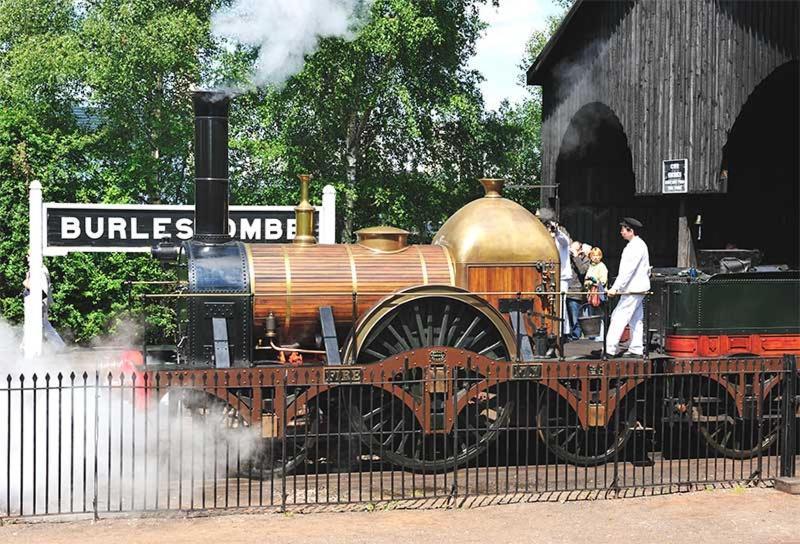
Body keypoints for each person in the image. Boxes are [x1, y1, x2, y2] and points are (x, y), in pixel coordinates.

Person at [605, 218, 650, 357]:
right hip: (637, 288)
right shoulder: (638, 245)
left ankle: (609, 349)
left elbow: (627, 270)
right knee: (636, 319)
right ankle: (636, 348)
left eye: (624, 229)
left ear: (631, 231)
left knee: (618, 317)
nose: (621, 232)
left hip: (632, 288)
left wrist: (616, 288)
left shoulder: (635, 246)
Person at [538, 208, 572, 337]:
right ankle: (556, 329)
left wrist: (556, 231)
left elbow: (565, 242)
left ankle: (562, 331)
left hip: (562, 276)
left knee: (560, 303)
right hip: (549, 274)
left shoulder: (561, 237)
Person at [23, 255, 66, 350]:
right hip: (38, 301)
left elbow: (41, 288)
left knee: (32, 324)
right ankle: (59, 345)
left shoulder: (39, 269)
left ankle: (26, 346)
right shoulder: (38, 268)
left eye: (29, 255)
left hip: (37, 302)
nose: (27, 257)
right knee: (43, 324)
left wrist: (26, 282)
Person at [584, 247, 609, 342]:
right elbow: (586, 281)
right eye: (593, 255)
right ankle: (593, 335)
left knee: (600, 316)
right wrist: (588, 282)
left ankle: (601, 336)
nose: (595, 257)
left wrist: (593, 281)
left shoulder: (602, 266)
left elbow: (603, 281)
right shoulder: (590, 266)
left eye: (598, 255)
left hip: (599, 294)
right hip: (591, 293)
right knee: (592, 315)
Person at [566, 241, 589, 340]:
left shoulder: (585, 260)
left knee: (575, 317)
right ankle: (568, 335)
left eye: (574, 249)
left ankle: (576, 336)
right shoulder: (568, 259)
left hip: (576, 292)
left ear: (580, 250)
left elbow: (582, 271)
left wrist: (576, 257)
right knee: (567, 317)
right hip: (566, 290)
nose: (572, 251)